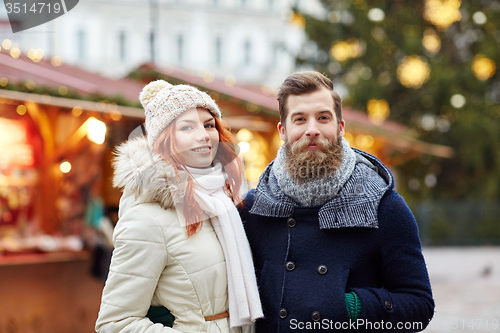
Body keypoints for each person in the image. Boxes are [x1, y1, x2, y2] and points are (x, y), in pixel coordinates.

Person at [238, 71, 435, 332]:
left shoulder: (383, 205)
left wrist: (351, 307)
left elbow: (419, 307)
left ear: (340, 127)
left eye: (323, 118)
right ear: (283, 131)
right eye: (300, 119)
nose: (312, 129)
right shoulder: (254, 208)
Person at [95, 80, 263, 333]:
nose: (204, 135)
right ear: (164, 141)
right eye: (187, 127)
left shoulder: (224, 204)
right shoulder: (147, 219)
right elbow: (115, 323)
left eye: (209, 125)